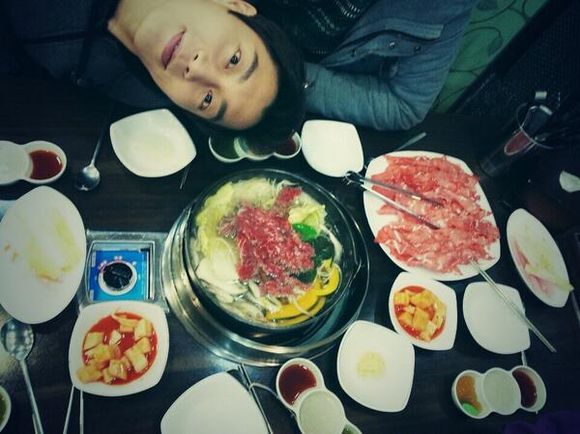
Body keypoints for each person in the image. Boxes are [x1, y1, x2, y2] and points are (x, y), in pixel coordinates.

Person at [2, 0, 478, 150]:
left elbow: (407, 104)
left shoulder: (141, 87)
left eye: (209, 99)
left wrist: (285, 83)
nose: (197, 69)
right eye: (233, 61)